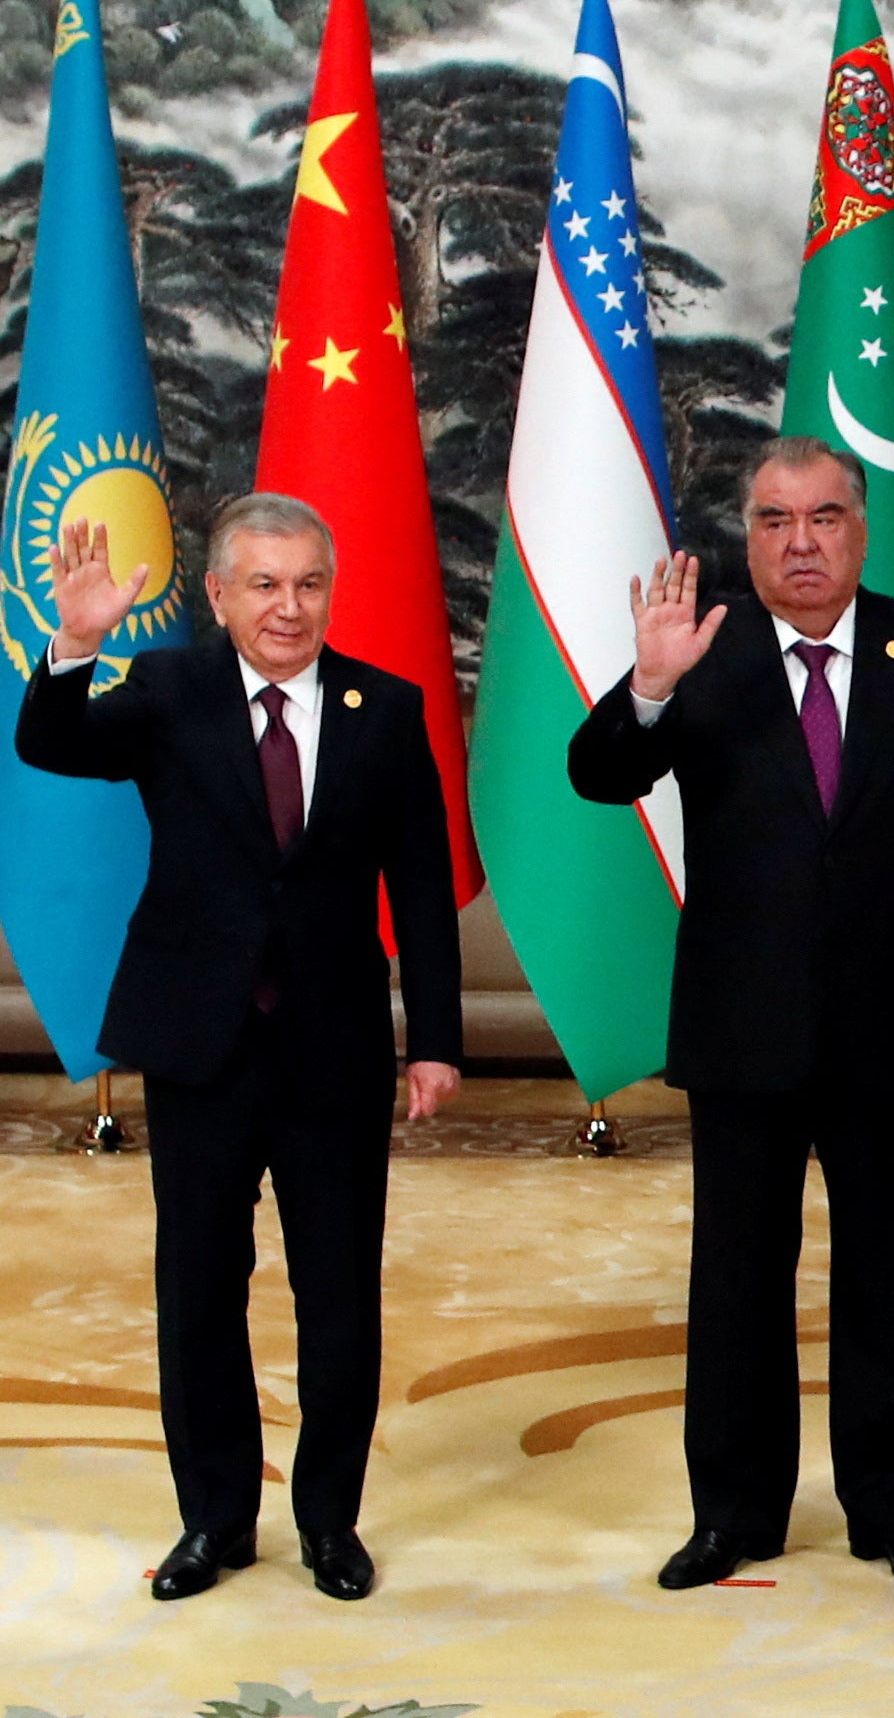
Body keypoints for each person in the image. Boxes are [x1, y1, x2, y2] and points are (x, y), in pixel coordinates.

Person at [566, 436, 894, 1594]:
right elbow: (597, 775)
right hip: (742, 1022)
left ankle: (891, 1510)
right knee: (737, 1280)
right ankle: (732, 1514)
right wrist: (650, 686)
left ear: (861, 528)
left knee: (892, 1276)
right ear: (746, 535)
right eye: (774, 520)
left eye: (824, 517)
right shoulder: (699, 651)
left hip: (893, 1019)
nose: (801, 541)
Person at [18, 494, 462, 1605]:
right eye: (262, 584)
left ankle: (329, 1524)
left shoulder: (385, 706)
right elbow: (51, 742)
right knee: (201, 1291)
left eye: (308, 583)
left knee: (338, 1296)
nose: (288, 606)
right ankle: (214, 1522)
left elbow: (419, 885)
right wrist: (76, 645)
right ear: (217, 596)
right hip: (199, 1042)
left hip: (336, 1051)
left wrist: (437, 1042)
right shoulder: (168, 693)